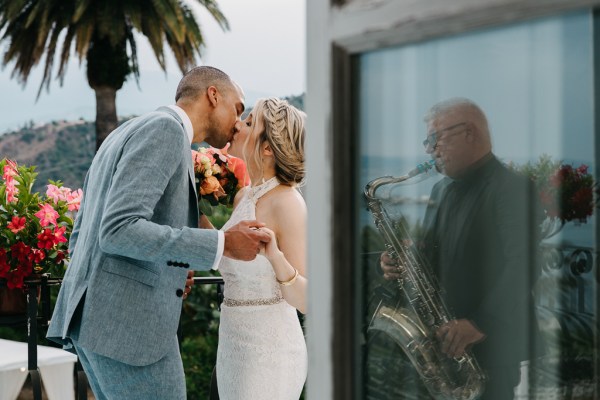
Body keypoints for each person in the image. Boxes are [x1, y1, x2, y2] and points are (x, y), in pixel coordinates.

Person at [46, 66, 271, 400]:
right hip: (129, 330)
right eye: (237, 108)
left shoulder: (126, 130)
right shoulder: (165, 131)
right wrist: (223, 243)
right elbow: (119, 230)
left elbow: (86, 233)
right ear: (213, 95)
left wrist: (168, 271)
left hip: (97, 323)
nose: (239, 122)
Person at [379, 97, 541, 400]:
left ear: (469, 133)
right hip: (444, 340)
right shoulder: (443, 187)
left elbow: (526, 263)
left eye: (434, 138)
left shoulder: (512, 188)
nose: (429, 150)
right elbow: (434, 249)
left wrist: (479, 324)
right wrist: (403, 259)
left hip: (490, 348)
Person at [203, 97, 307, 399]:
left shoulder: (288, 203)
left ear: (266, 148)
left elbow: (306, 300)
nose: (238, 124)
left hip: (269, 354)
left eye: (249, 123)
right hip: (232, 345)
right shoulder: (244, 197)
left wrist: (275, 257)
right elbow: (226, 256)